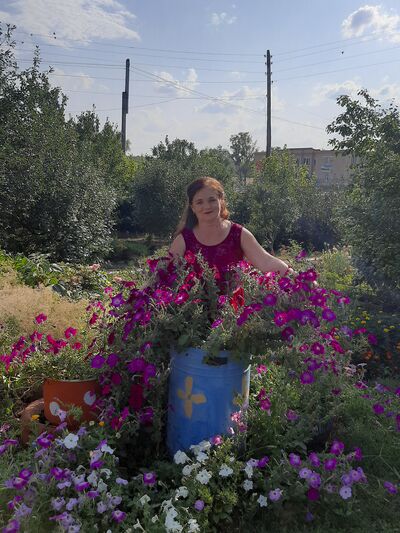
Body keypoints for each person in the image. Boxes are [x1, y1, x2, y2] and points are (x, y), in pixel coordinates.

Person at [169, 176, 291, 277]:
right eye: (199, 202)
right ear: (192, 207)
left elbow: (265, 261)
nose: (207, 206)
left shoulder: (238, 234)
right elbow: (168, 275)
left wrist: (293, 276)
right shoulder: (183, 240)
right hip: (194, 300)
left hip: (234, 300)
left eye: (212, 200)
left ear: (221, 200)